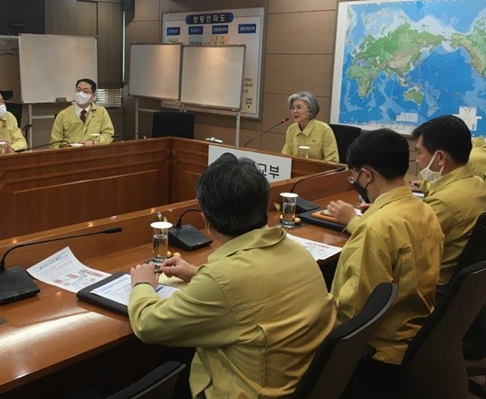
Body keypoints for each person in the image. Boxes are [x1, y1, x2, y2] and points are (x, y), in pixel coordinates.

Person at [128, 153, 336, 399]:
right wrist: (197, 274)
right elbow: (252, 287)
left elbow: (148, 326)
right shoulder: (297, 251)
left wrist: (142, 285)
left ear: (206, 219)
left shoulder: (223, 278)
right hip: (296, 383)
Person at [326, 129, 443, 393]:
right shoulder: (425, 211)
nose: (354, 180)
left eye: (353, 175)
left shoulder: (375, 229)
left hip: (377, 355)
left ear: (367, 175)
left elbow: (353, 312)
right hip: (414, 336)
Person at [410, 116, 486, 287]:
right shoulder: (477, 184)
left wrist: (354, 221)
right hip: (464, 292)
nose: (417, 160)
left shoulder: (444, 203)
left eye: (419, 152)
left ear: (440, 158)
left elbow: (400, 244)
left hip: (429, 288)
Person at [50, 78, 114, 147]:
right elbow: (55, 143)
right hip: (71, 154)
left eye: (85, 91)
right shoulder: (63, 114)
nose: (80, 94)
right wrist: (67, 148)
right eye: (78, 90)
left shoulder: (101, 112)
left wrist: (94, 142)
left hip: (94, 152)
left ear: (93, 96)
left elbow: (108, 135)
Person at [281, 91, 339, 162]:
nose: (295, 111)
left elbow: (332, 160)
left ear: (310, 111)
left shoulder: (324, 130)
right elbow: (285, 156)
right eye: (292, 108)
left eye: (299, 107)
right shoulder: (291, 129)